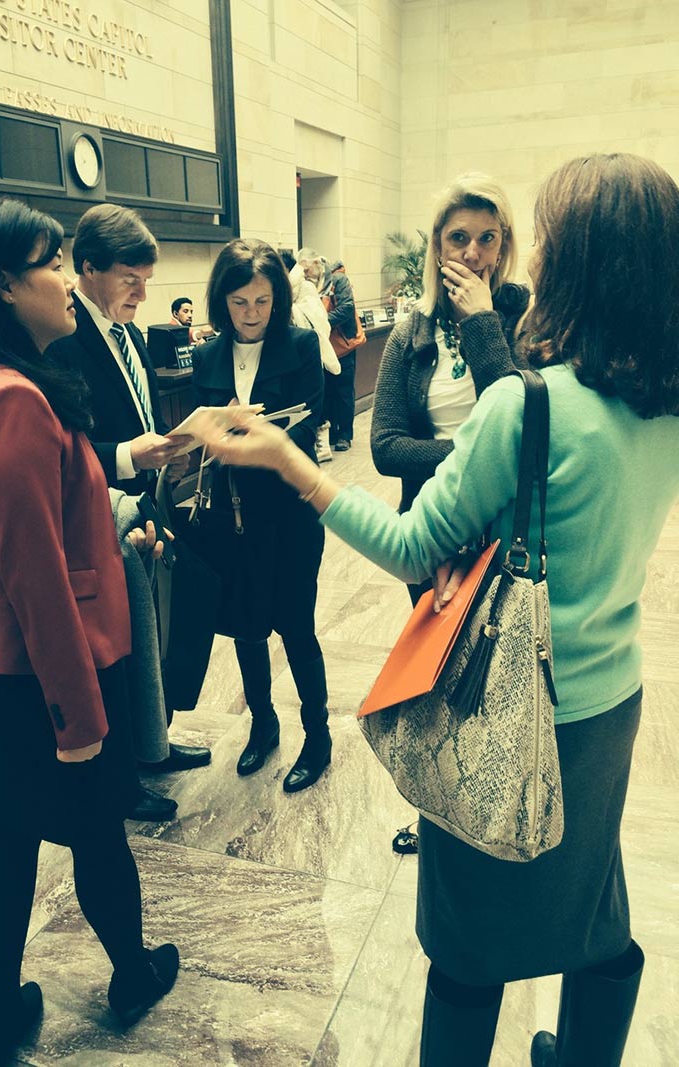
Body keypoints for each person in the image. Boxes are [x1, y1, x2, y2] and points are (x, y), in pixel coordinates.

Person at [191, 154, 679, 1067]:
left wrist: (291, 463)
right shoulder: (661, 400)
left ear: (574, 260)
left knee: (467, 938)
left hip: (509, 702)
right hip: (610, 702)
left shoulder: (529, 407)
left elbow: (412, 546)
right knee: (591, 900)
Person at [0, 196, 180, 1063]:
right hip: (45, 671)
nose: (68, 279)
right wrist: (81, 719)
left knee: (14, 825)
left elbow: (44, 526)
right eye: (52, 262)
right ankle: (131, 974)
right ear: (4, 283)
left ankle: (2, 1012)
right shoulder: (9, 401)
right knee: (97, 829)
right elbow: (36, 576)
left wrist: (116, 510)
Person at [48, 204, 211, 804]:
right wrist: (125, 457)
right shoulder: (63, 342)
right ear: (88, 268)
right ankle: (122, 779)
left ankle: (153, 743)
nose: (144, 293)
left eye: (147, 280)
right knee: (112, 652)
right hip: (98, 516)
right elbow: (60, 447)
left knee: (151, 638)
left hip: (144, 506)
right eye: (130, 280)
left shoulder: (130, 333)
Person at [192, 238, 332, 793]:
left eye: (262, 302)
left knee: (298, 628)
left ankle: (317, 736)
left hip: (290, 513)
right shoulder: (206, 356)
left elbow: (307, 424)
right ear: (221, 302)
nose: (251, 315)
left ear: (277, 299)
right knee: (247, 630)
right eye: (240, 303)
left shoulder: (299, 347)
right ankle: (263, 725)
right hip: (232, 517)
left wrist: (247, 434)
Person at [371, 174, 530, 606]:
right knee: (436, 662)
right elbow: (386, 448)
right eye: (458, 237)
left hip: (505, 534)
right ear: (439, 246)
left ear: (502, 249)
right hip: (431, 528)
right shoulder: (409, 335)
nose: (472, 253)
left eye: (487, 239)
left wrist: (483, 322)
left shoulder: (525, 325)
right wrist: (476, 456)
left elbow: (519, 431)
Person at [279, 249, 340, 463]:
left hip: (310, 349)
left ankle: (320, 443)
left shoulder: (304, 287)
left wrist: (290, 310)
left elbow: (317, 317)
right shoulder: (281, 289)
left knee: (314, 403)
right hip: (288, 352)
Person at [298, 249, 360, 452]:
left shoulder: (338, 280)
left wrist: (320, 322)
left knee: (343, 391)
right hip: (322, 348)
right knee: (326, 391)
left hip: (342, 345)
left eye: (307, 269)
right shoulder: (308, 285)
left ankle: (345, 435)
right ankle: (331, 432)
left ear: (317, 262)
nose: (305, 274)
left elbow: (347, 307)